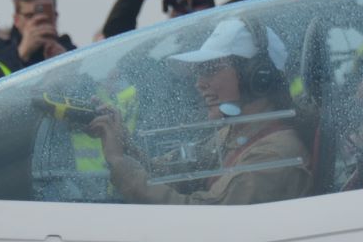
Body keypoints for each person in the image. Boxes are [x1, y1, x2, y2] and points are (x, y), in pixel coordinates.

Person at [89, 18, 311, 206]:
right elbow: (170, 174)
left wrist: (118, 161)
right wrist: (123, 142)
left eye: (211, 70)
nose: (199, 83)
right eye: (199, 72)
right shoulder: (234, 134)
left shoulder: (275, 154)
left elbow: (201, 216)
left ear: (257, 77)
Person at [6, 0, 76, 66]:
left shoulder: (72, 52)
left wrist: (67, 63)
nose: (38, 21)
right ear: (16, 20)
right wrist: (21, 55)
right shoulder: (0, 55)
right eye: (30, 16)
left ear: (55, 16)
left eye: (46, 15)